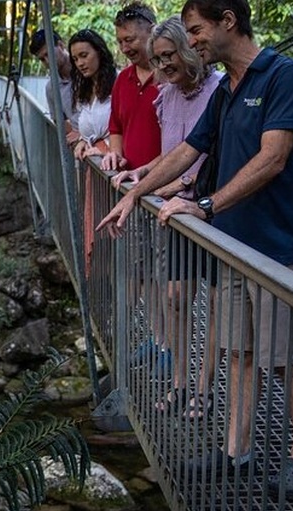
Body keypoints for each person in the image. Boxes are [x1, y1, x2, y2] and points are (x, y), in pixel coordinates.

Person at [96, 0, 293, 502]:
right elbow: (186, 150)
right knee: (238, 351)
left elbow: (274, 157)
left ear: (228, 21)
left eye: (196, 30)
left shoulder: (284, 76)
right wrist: (134, 193)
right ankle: (236, 450)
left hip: (282, 246)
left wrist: (207, 203)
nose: (192, 40)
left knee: (286, 357)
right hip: (235, 243)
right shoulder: (229, 89)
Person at [111, 15, 223, 418]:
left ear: (188, 49)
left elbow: (209, 152)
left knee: (212, 304)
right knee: (175, 298)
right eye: (157, 59)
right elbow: (174, 150)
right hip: (173, 211)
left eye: (168, 55)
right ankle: (179, 380)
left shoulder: (218, 91)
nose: (163, 66)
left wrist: (180, 183)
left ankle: (204, 388)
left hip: (207, 209)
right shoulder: (169, 93)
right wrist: (144, 171)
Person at [67, 29, 117, 274]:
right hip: (95, 174)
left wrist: (103, 148)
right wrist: (81, 142)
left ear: (100, 51)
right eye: (76, 59)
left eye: (84, 55)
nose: (80, 63)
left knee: (116, 239)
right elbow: (83, 130)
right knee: (102, 237)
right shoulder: (86, 91)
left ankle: (123, 305)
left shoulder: (119, 85)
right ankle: (107, 298)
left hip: (115, 171)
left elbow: (124, 129)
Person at [99, 3, 162, 172]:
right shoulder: (122, 79)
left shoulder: (171, 79)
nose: (124, 49)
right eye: (120, 42)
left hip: (161, 187)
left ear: (152, 31)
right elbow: (116, 128)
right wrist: (115, 154)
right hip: (127, 181)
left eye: (129, 40)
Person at [29, 29, 80, 147]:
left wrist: (84, 132)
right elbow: (59, 121)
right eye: (42, 59)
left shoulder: (87, 69)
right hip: (85, 150)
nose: (47, 61)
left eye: (48, 54)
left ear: (61, 45)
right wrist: (79, 132)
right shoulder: (52, 88)